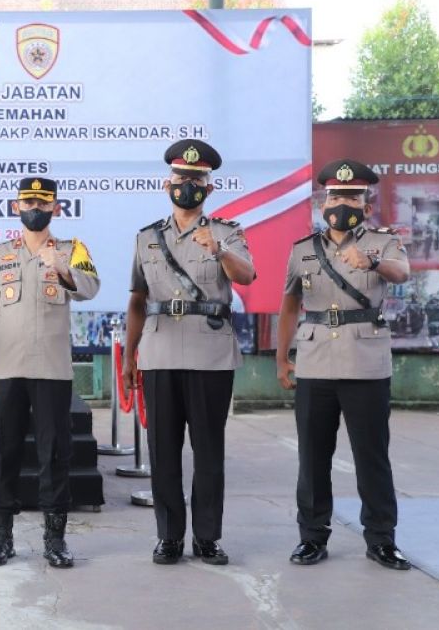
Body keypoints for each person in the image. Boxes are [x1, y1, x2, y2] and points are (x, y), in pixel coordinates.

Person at [122, 139, 256, 566]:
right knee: (162, 452)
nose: (188, 185)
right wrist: (129, 359)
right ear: (168, 183)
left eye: (196, 179)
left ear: (209, 188)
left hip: (209, 355)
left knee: (208, 451)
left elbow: (248, 275)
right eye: (181, 178)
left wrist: (217, 250)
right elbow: (137, 300)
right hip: (159, 353)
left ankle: (207, 537)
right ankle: (169, 537)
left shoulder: (227, 233)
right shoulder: (146, 238)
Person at [277, 159, 412, 571]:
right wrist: (283, 358)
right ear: (324, 203)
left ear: (366, 205)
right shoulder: (303, 250)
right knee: (313, 458)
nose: (342, 204)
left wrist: (370, 262)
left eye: (351, 197)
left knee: (372, 456)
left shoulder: (383, 242)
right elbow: (289, 305)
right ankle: (312, 537)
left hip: (366, 365)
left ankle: (382, 540)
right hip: (315, 363)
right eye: (335, 196)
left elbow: (402, 273)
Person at [0, 177, 100, 568]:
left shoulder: (73, 249)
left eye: (43, 202)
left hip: (52, 372)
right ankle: (0, 537)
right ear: (14, 207)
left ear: (57, 208)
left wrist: (61, 267)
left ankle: (55, 540)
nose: (35, 208)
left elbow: (90, 287)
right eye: (28, 202)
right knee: (3, 453)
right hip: (6, 371)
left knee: (54, 455)